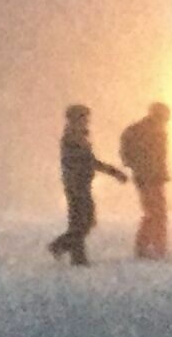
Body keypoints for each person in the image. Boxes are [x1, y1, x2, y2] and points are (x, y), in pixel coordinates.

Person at [48, 105, 128, 265]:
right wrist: (112, 172)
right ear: (76, 119)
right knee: (81, 222)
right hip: (77, 186)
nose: (87, 121)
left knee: (84, 222)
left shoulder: (78, 137)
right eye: (84, 118)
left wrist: (112, 172)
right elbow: (85, 162)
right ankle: (65, 250)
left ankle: (74, 255)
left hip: (81, 184)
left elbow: (89, 162)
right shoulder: (72, 137)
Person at [119, 102, 172, 261]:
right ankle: (152, 248)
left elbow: (127, 154)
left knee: (155, 213)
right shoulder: (145, 131)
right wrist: (142, 168)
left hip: (152, 176)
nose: (166, 121)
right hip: (148, 177)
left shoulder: (147, 130)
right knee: (156, 213)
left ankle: (152, 247)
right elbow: (128, 154)